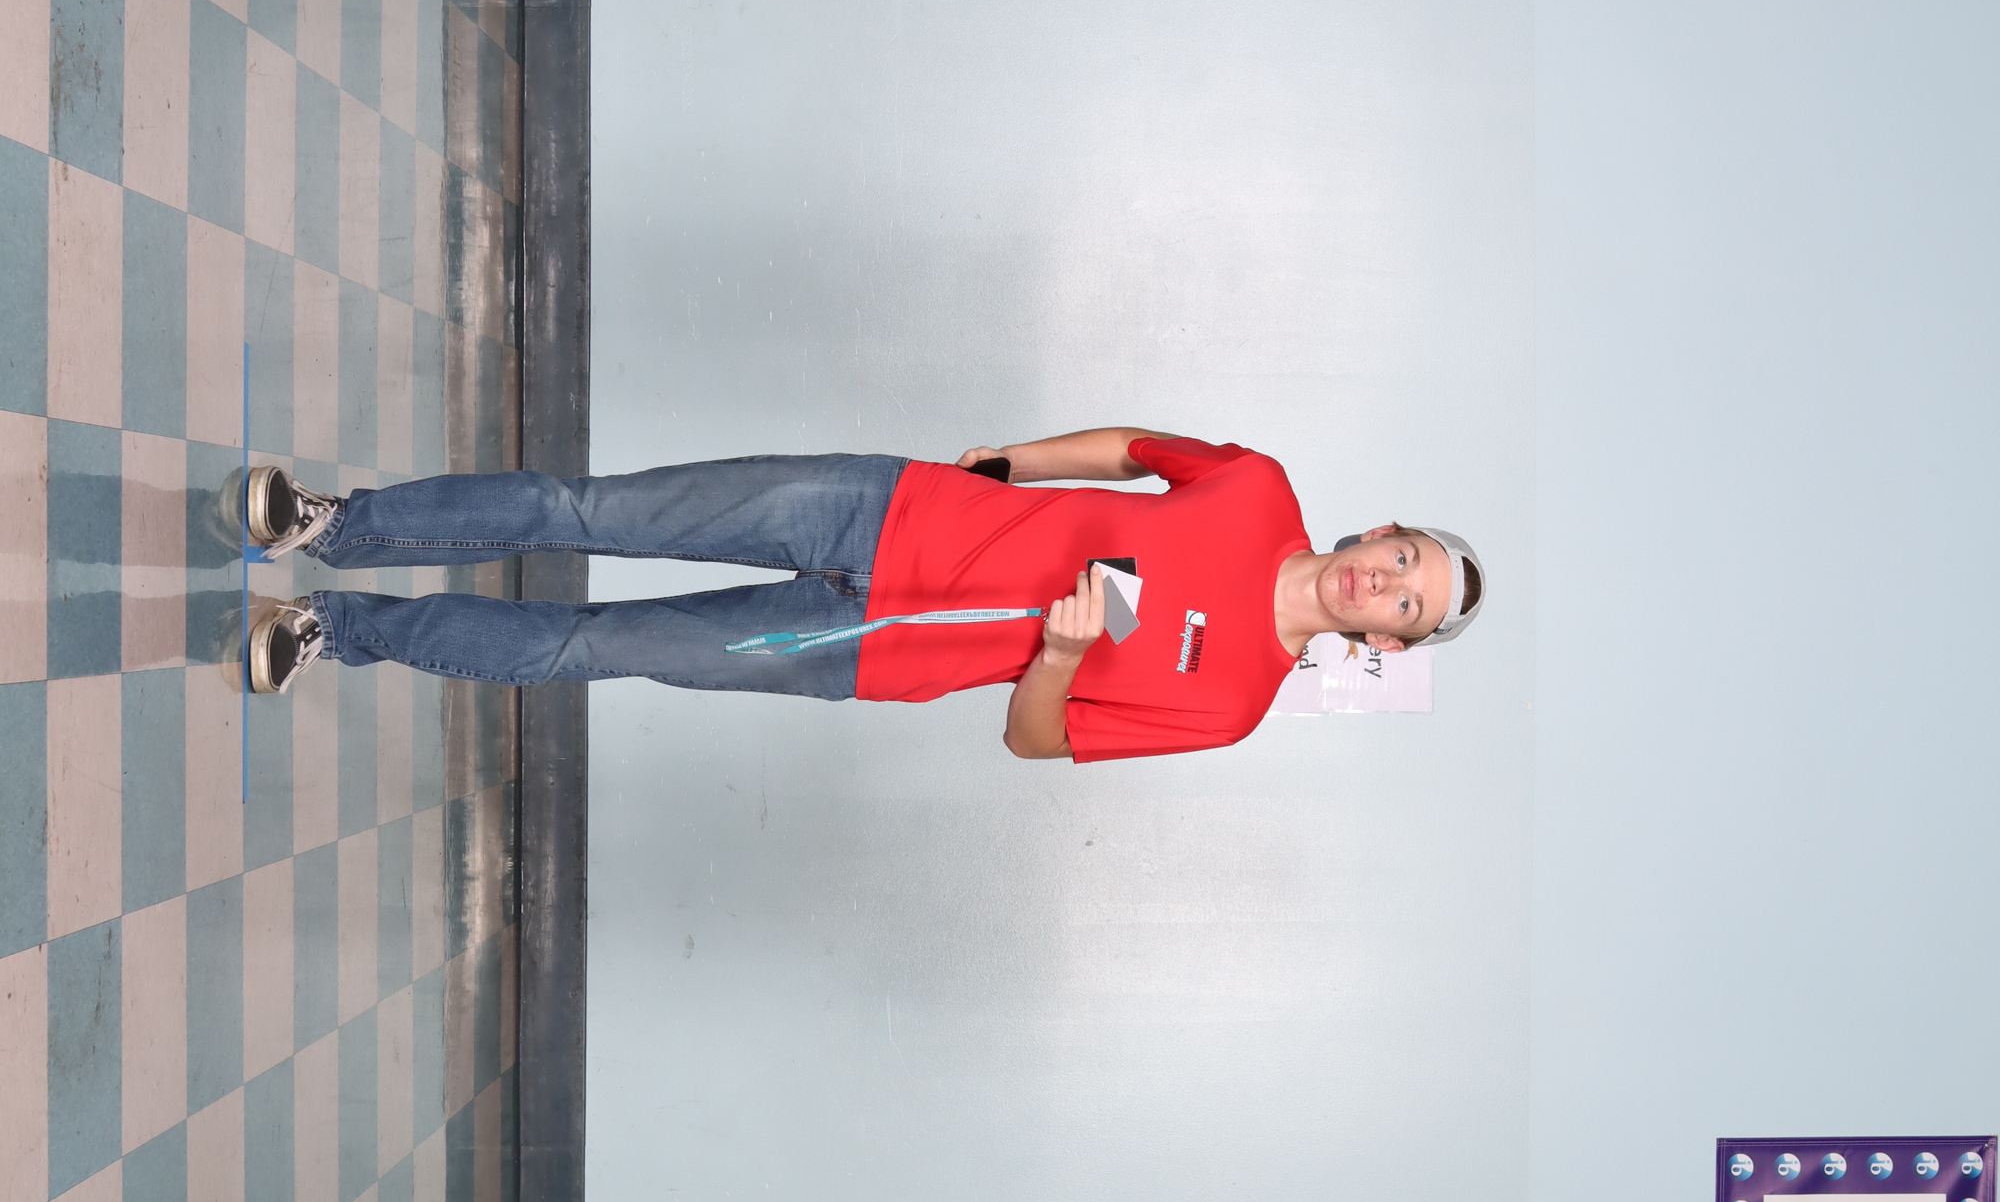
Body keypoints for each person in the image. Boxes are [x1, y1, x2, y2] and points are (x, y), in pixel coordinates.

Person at [243, 431, 1484, 764]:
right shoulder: (1255, 487)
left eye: (1404, 605)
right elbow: (1130, 449)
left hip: (849, 644)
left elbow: (1032, 740)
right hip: (874, 507)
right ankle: (339, 526)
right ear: (1380, 530)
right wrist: (1006, 465)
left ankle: (335, 629)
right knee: (588, 508)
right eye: (1404, 558)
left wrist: (1057, 659)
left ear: (1383, 641)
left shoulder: (1232, 706)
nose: (1383, 583)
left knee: (587, 644)